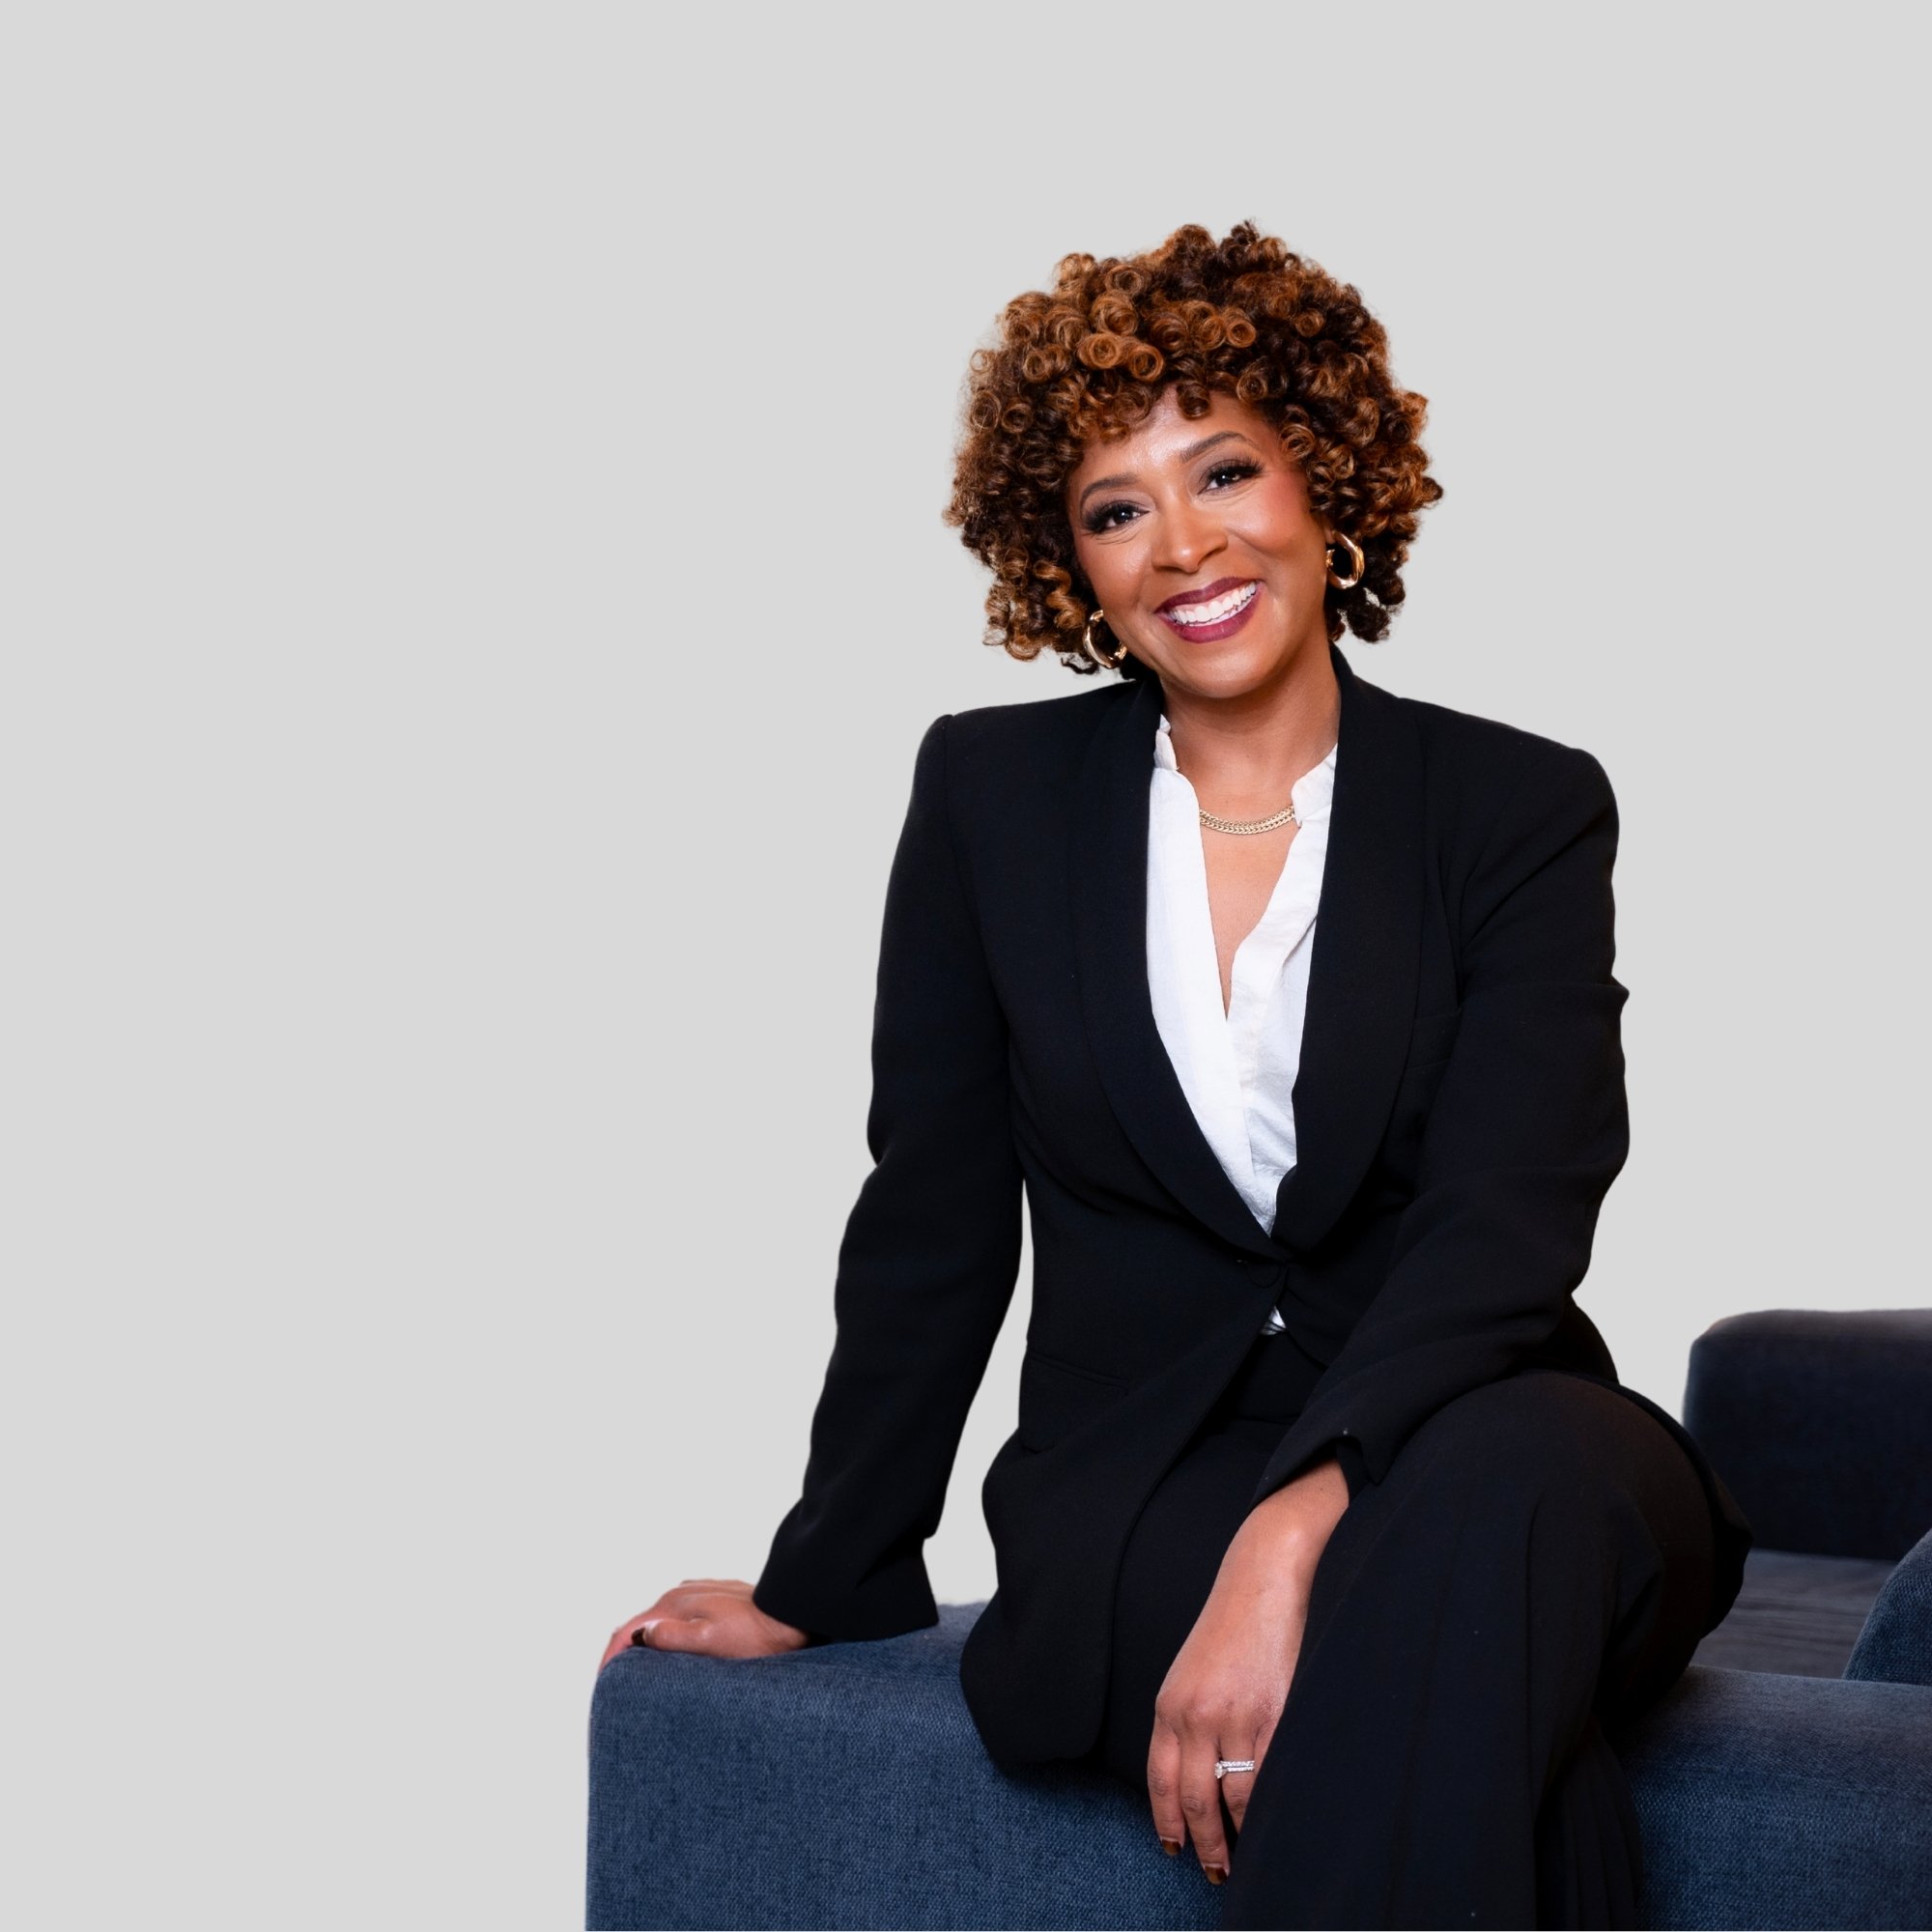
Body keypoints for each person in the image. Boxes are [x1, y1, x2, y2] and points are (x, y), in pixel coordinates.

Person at [598, 221, 1753, 1928]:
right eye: (1116, 507)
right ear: (1066, 560)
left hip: (1501, 1433)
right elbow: (932, 1215)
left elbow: (1512, 1214)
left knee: (1491, 1509)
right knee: (1483, 1696)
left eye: (1225, 471)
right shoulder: (991, 803)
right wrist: (823, 1570)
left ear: (1326, 482)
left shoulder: (1517, 807)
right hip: (1146, 1476)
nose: (1186, 544)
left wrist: (1295, 1527)